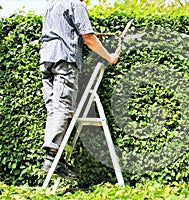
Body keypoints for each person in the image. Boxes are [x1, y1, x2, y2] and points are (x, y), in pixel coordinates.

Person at [39, 0, 118, 180]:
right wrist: (110, 57)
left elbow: (62, 30)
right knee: (63, 107)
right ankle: (53, 157)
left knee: (53, 107)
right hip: (64, 59)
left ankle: (52, 158)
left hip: (47, 59)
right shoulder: (76, 4)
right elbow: (89, 38)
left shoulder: (52, 4)